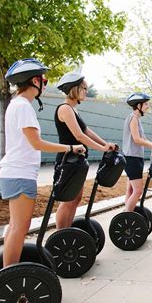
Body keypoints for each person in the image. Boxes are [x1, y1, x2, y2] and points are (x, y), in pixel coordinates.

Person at [0, 58, 85, 267]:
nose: (45, 86)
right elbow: (36, 143)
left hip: (14, 172)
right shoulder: (24, 107)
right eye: (44, 81)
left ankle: (6, 273)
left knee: (15, 226)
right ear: (35, 81)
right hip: (20, 173)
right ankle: (8, 276)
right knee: (20, 227)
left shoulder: (15, 105)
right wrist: (70, 147)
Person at [54, 72, 115, 229]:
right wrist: (102, 148)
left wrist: (105, 143)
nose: (86, 91)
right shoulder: (65, 109)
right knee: (68, 200)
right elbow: (79, 136)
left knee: (75, 198)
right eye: (84, 88)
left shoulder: (74, 110)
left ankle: (68, 232)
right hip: (67, 161)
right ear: (74, 88)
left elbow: (87, 131)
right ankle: (61, 236)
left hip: (77, 161)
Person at [123, 92, 152, 212]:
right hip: (132, 158)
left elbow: (143, 139)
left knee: (131, 190)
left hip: (134, 157)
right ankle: (125, 216)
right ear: (138, 105)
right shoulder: (133, 118)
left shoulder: (136, 119)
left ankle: (127, 214)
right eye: (146, 104)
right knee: (138, 191)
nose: (148, 106)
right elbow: (137, 140)